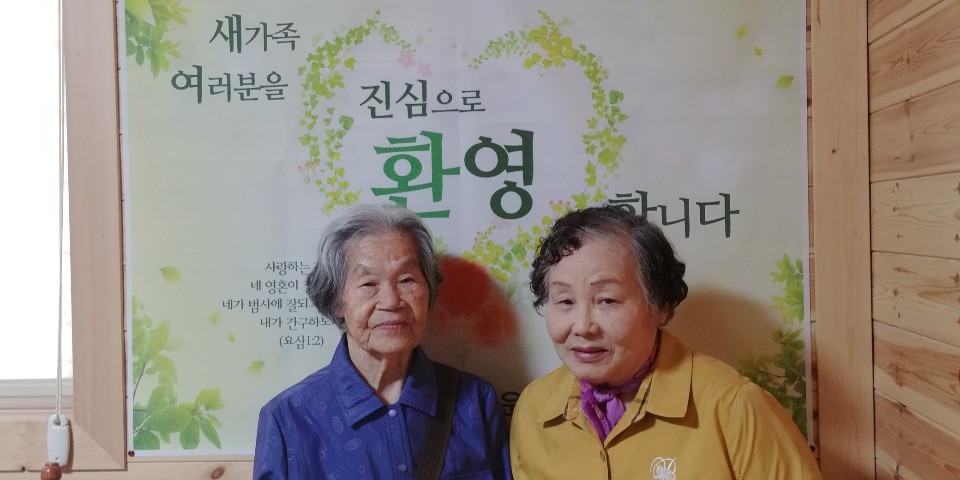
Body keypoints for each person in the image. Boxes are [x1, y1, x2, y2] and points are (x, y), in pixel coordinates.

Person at [510, 204, 823, 480]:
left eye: (607, 300)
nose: (582, 326)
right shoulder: (534, 409)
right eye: (565, 301)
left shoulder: (733, 406)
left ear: (660, 306)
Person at [254, 204, 511, 480]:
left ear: (428, 292)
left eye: (406, 280)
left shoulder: (476, 401)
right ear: (336, 301)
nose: (391, 301)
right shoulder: (288, 419)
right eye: (368, 284)